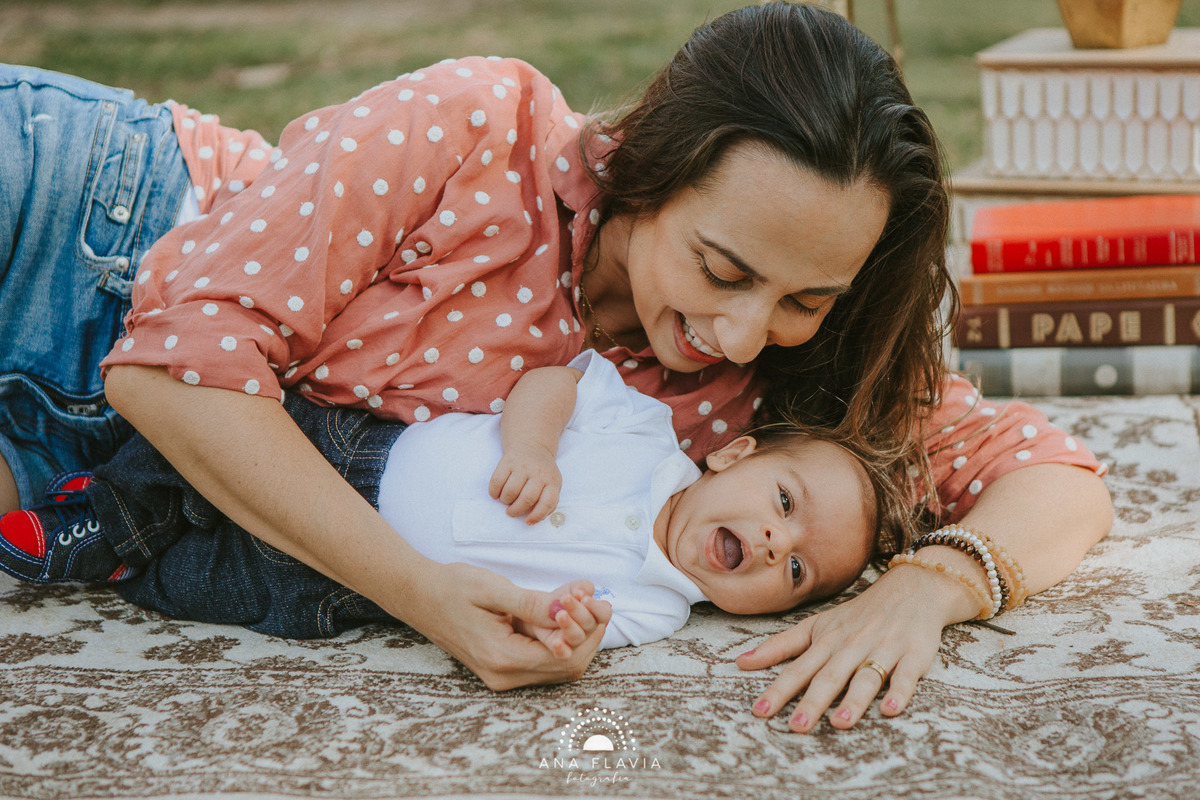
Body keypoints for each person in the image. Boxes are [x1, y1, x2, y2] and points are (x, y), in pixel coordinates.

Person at [0, 2, 1112, 729]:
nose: (738, 331)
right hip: (72, 217)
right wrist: (422, 594)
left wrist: (933, 585)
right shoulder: (481, 125)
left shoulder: (766, 394)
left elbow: (1058, 477)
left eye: (803, 299)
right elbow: (174, 368)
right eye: (721, 266)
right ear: (652, 161)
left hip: (90, 455)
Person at [0, 350, 883, 665]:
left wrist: (563, 632)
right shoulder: (647, 436)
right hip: (363, 450)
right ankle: (106, 515)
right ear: (733, 453)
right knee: (213, 445)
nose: (773, 543)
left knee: (219, 581)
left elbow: (569, 636)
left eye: (798, 571)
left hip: (347, 588)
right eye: (784, 501)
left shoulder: (652, 607)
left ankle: (127, 567)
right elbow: (552, 378)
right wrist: (533, 446)